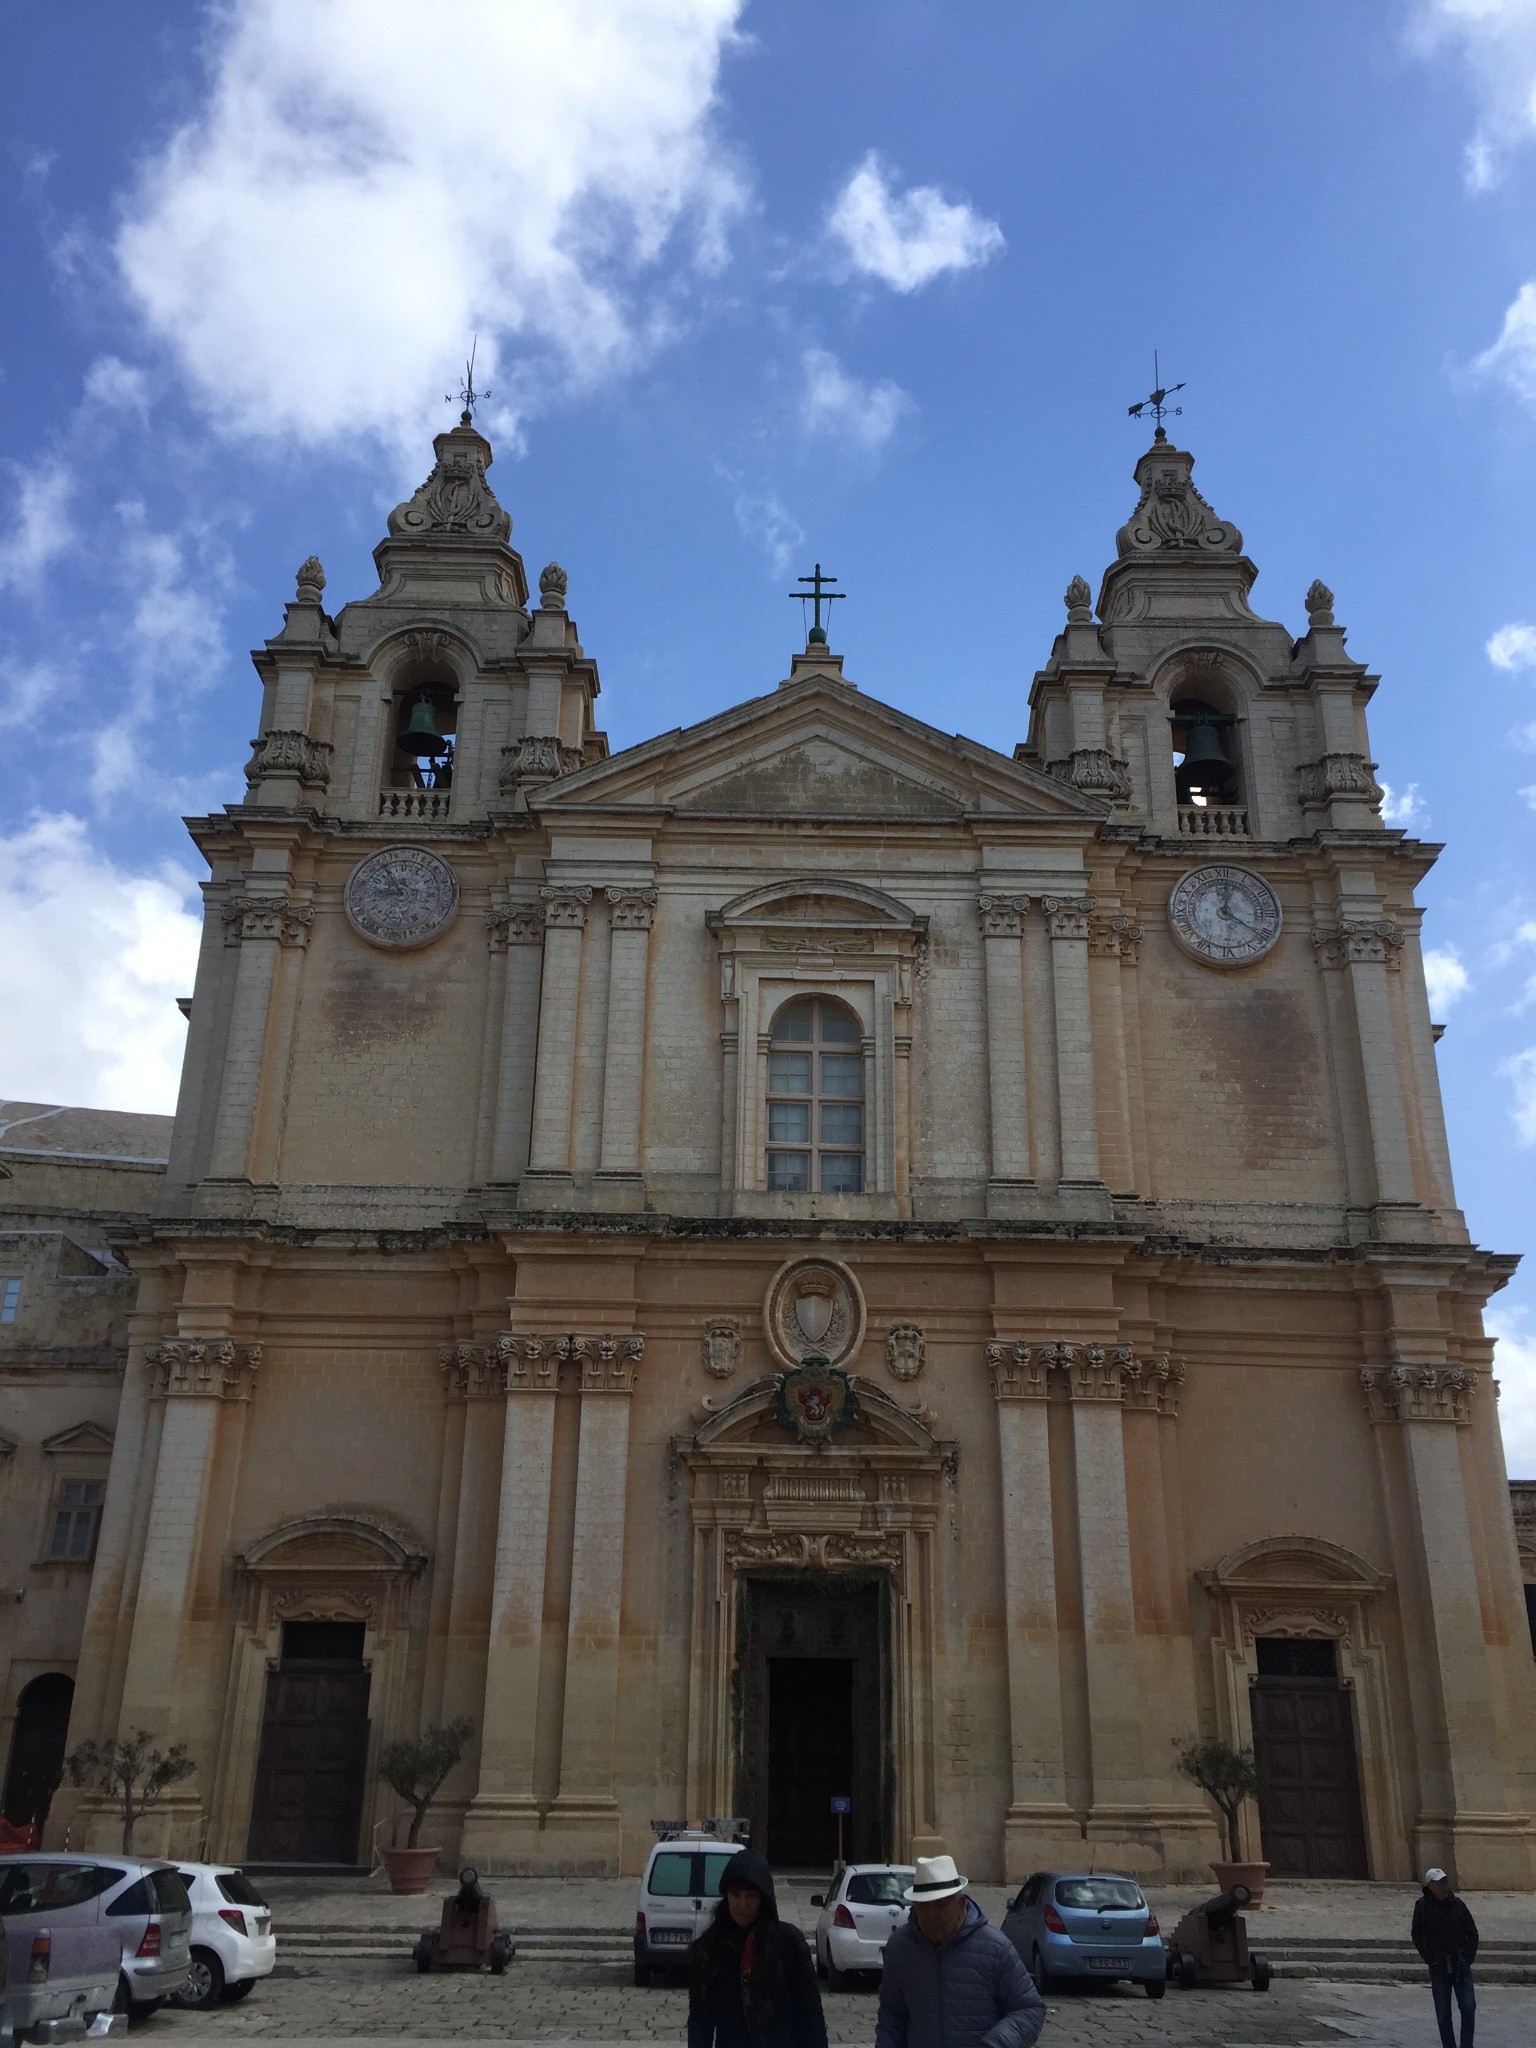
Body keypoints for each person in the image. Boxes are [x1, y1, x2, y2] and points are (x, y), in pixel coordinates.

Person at [876, 1853, 1045, 2048]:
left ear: (960, 1903)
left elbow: (1029, 2009)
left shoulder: (995, 1948)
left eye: (940, 1905)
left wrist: (995, 2044)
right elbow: (892, 2014)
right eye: (923, 1906)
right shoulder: (900, 1947)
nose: (931, 1914)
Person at [688, 1846, 827, 2048]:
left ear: (763, 1898)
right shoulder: (709, 1949)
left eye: (751, 1896)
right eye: (736, 1895)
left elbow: (811, 2018)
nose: (743, 1905)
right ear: (726, 1896)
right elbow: (700, 2022)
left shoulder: (789, 1944)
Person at [1412, 1867, 1477, 2048]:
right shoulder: (1422, 1907)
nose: (1444, 1886)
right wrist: (1429, 1958)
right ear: (1430, 1886)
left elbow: (1472, 1932)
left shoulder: (1457, 1905)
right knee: (1443, 2014)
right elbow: (1416, 1934)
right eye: (1440, 1883)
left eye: (1445, 1882)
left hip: (1460, 1964)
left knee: (1468, 2007)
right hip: (1439, 1966)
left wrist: (1467, 1957)